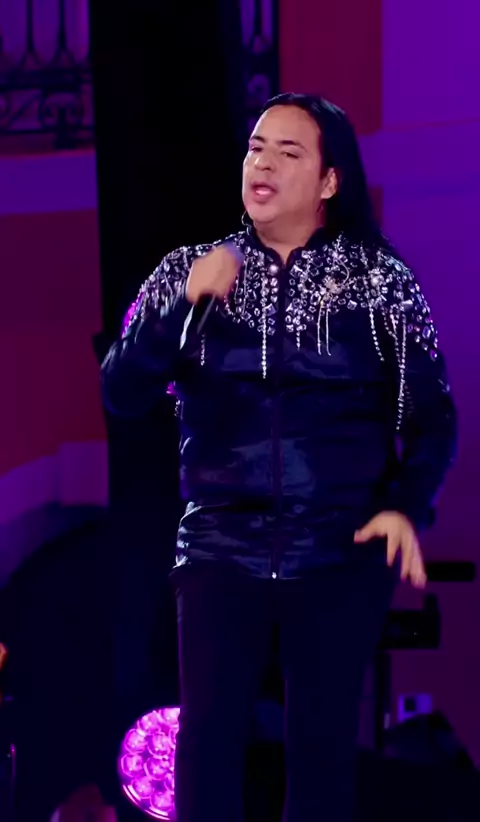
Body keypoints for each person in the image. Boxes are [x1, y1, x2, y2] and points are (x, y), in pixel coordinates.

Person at [101, 93, 456, 822]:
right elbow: (122, 392)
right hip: (218, 545)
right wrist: (178, 308)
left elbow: (433, 417)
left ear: (330, 180)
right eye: (256, 148)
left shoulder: (381, 282)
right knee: (206, 746)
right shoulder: (187, 271)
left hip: (339, 546)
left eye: (288, 152)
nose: (261, 163)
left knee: (321, 752)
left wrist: (405, 506)